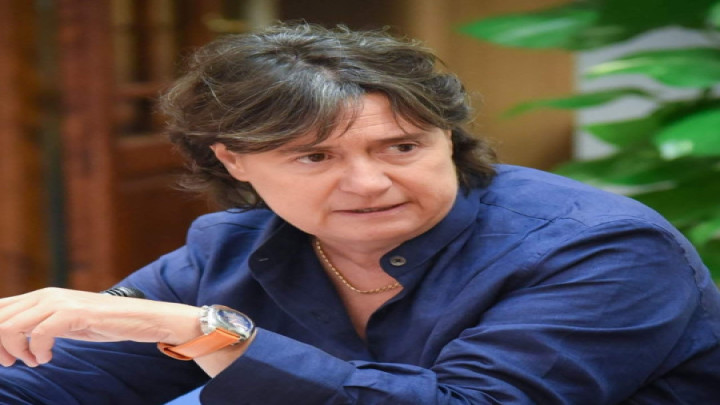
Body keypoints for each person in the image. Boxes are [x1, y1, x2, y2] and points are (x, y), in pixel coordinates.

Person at [1, 22, 719, 405]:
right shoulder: (230, 249)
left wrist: (204, 331)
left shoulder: (601, 247)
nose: (369, 183)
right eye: (315, 157)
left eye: (402, 146)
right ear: (233, 161)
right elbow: (52, 385)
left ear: (448, 138)